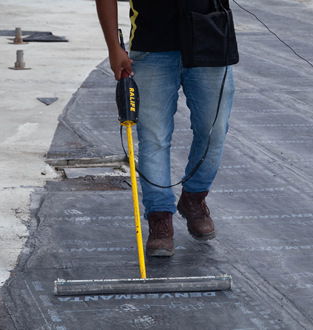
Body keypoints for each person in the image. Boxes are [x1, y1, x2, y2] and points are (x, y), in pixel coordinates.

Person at [95, 0, 235, 257]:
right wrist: (113, 47)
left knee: (214, 131)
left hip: (210, 41)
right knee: (154, 139)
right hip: (152, 47)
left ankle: (193, 198)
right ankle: (159, 218)